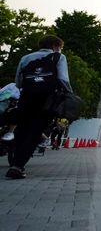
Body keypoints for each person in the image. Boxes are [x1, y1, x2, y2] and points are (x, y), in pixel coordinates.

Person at [6, 35, 70, 179]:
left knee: (22, 130)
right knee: (35, 132)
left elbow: (18, 82)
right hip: (47, 101)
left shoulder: (26, 58)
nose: (60, 50)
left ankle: (14, 161)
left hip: (26, 98)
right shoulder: (59, 57)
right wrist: (69, 95)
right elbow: (63, 79)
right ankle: (18, 166)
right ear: (55, 45)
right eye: (60, 47)